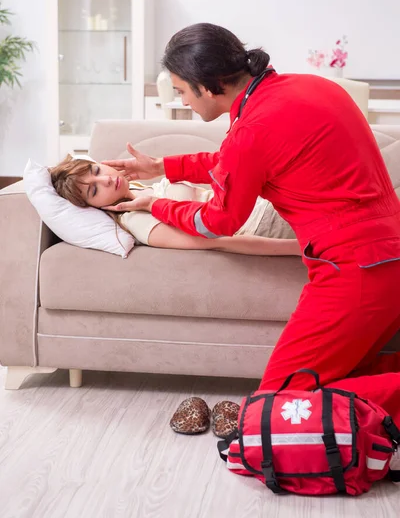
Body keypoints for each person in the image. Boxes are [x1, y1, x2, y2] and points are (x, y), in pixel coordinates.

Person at [103, 23, 400, 428]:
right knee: (348, 377)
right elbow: (238, 161)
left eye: (182, 91)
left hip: (355, 270)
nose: (183, 101)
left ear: (206, 87)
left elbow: (216, 222)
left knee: (276, 409)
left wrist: (157, 204)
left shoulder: (253, 129)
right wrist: (161, 167)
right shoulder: (312, 87)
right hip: (387, 254)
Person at [49, 155, 300, 256]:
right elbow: (219, 241)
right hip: (264, 221)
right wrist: (300, 249)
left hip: (264, 200)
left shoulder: (136, 190)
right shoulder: (136, 220)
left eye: (95, 170)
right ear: (93, 208)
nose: (105, 179)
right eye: (94, 190)